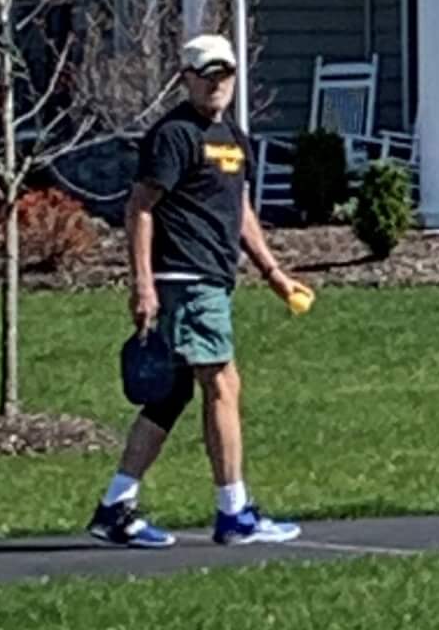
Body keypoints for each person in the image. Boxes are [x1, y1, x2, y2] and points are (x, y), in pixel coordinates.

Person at [88, 32, 307, 548]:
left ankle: (115, 506)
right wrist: (142, 283)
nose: (217, 84)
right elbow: (140, 207)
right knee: (223, 385)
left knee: (171, 394)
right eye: (206, 74)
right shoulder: (174, 135)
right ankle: (234, 513)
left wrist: (274, 274)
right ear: (185, 78)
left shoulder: (232, 136)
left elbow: (241, 212)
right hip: (184, 278)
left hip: (212, 275)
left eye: (224, 74)